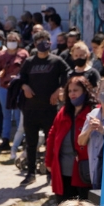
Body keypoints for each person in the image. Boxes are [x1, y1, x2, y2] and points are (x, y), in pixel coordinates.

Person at [17, 33, 68, 184]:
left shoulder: (57, 61)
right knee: (31, 143)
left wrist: (60, 89)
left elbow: (67, 74)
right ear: (34, 44)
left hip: (50, 109)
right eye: (39, 41)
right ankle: (31, 173)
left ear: (49, 42)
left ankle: (51, 174)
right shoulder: (29, 62)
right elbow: (20, 78)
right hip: (31, 109)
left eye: (44, 41)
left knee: (50, 142)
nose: (42, 44)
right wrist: (24, 86)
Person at [45, 74, 97, 201]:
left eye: (76, 90)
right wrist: (48, 161)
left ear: (85, 91)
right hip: (62, 169)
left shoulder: (94, 112)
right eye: (69, 91)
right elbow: (52, 136)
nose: (72, 94)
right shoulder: (63, 112)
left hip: (84, 171)